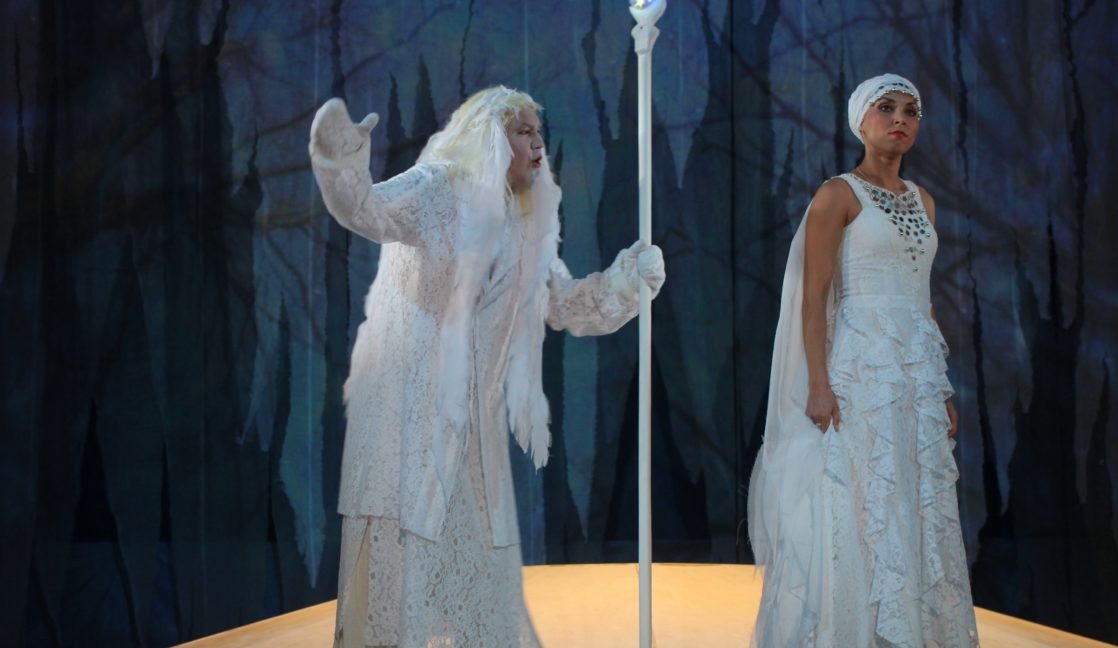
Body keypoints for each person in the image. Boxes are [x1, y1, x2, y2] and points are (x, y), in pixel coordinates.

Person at [309, 86, 665, 648]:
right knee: (399, 605)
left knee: (486, 610)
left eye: (538, 131)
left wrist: (627, 281)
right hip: (408, 444)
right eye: (523, 131)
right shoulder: (437, 190)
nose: (537, 143)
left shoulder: (525, 231)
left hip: (472, 452)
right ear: (489, 141)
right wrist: (342, 160)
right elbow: (367, 210)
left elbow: (564, 304)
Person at [748, 74, 979, 647]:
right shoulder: (838, 194)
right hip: (860, 371)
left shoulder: (923, 200)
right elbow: (814, 296)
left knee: (915, 500)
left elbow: (921, 297)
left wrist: (941, 390)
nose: (900, 119)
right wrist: (818, 383)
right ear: (861, 120)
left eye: (911, 111)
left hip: (914, 377)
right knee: (863, 502)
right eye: (887, 108)